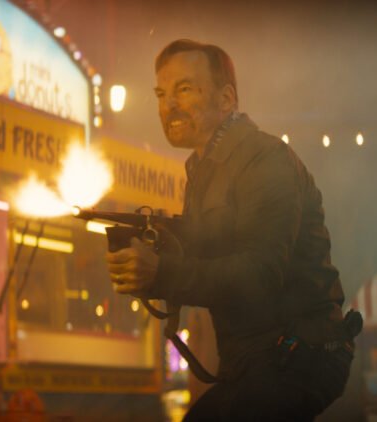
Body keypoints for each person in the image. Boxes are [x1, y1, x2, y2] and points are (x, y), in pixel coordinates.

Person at [106, 39, 356, 420]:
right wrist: (148, 259)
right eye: (161, 94)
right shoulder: (203, 171)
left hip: (301, 353)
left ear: (226, 99)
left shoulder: (265, 159)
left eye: (184, 89)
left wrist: (161, 272)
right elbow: (205, 261)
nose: (168, 105)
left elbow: (260, 273)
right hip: (258, 360)